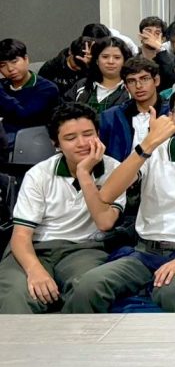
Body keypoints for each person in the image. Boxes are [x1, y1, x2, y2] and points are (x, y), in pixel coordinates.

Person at [63, 87, 175, 313]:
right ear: (171, 117)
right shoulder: (152, 150)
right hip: (144, 252)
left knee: (174, 291)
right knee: (88, 286)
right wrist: (148, 143)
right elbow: (106, 195)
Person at [0, 103, 125, 313]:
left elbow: (105, 222)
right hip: (35, 248)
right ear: (55, 143)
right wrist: (35, 270)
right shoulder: (39, 174)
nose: (82, 143)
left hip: (85, 249)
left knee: (87, 288)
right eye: (70, 138)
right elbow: (20, 236)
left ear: (98, 135)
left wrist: (84, 173)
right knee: (15, 294)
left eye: (88, 134)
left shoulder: (115, 170)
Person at [99, 57, 170, 161]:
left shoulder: (173, 113)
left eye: (144, 79)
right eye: (131, 81)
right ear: (126, 87)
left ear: (156, 80)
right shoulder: (110, 117)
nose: (138, 86)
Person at [0, 38, 61, 145]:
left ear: (26, 59)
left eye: (14, 62)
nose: (10, 69)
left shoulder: (47, 88)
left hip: (33, 141)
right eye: (2, 65)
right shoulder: (3, 86)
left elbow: (24, 115)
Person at [66, 36, 131, 113]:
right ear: (97, 60)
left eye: (117, 57)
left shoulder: (131, 90)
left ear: (124, 61)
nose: (110, 61)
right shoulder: (81, 86)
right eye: (105, 57)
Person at [40, 25, 103, 96]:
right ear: (70, 52)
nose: (78, 68)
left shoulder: (91, 69)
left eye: (82, 66)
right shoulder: (51, 67)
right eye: (76, 64)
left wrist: (91, 66)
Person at [135, 17, 175, 87]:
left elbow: (173, 80)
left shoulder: (169, 60)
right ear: (140, 36)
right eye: (148, 32)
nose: (152, 36)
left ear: (163, 39)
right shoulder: (132, 59)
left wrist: (159, 48)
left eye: (157, 33)